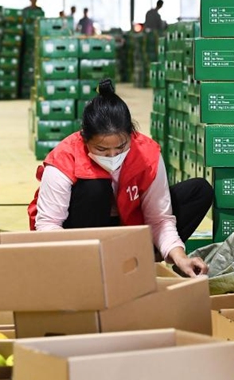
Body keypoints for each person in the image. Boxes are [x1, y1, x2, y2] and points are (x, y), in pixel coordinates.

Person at [27, 79, 213, 277]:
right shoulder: (64, 159)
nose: (113, 156)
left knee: (199, 191)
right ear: (84, 138)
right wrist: (72, 257)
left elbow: (159, 219)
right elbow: (49, 225)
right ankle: (93, 266)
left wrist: (180, 256)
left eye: (121, 147)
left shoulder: (146, 154)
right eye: (102, 149)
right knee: (96, 187)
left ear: (131, 135)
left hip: (128, 229)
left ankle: (139, 260)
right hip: (80, 235)